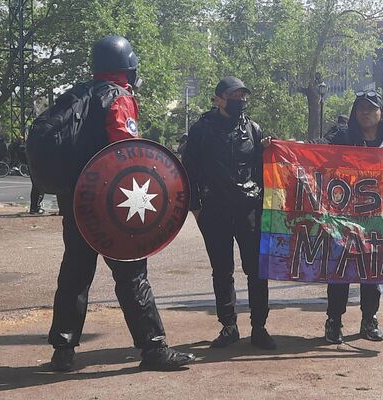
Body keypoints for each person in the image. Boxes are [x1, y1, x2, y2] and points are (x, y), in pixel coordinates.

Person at [47, 35, 195, 372]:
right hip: (113, 207)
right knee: (132, 274)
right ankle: (154, 347)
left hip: (76, 201)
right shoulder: (120, 98)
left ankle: (63, 350)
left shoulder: (74, 95)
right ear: (128, 66)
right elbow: (128, 154)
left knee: (75, 273)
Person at [182, 76, 276, 350]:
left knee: (256, 271)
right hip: (215, 210)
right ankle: (229, 326)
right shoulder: (201, 130)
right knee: (221, 270)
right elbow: (190, 170)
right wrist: (196, 207)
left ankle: (259, 328)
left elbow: (262, 170)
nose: (240, 101)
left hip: (248, 210)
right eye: (234, 96)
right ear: (218, 99)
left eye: (243, 96)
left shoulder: (254, 129)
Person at [320, 91, 383, 344]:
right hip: (343, 218)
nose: (365, 112)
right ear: (355, 112)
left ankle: (369, 320)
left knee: (372, 273)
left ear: (381, 113)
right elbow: (314, 151)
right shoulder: (341, 138)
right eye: (361, 108)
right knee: (339, 272)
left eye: (371, 108)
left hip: (378, 221)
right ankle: (334, 321)